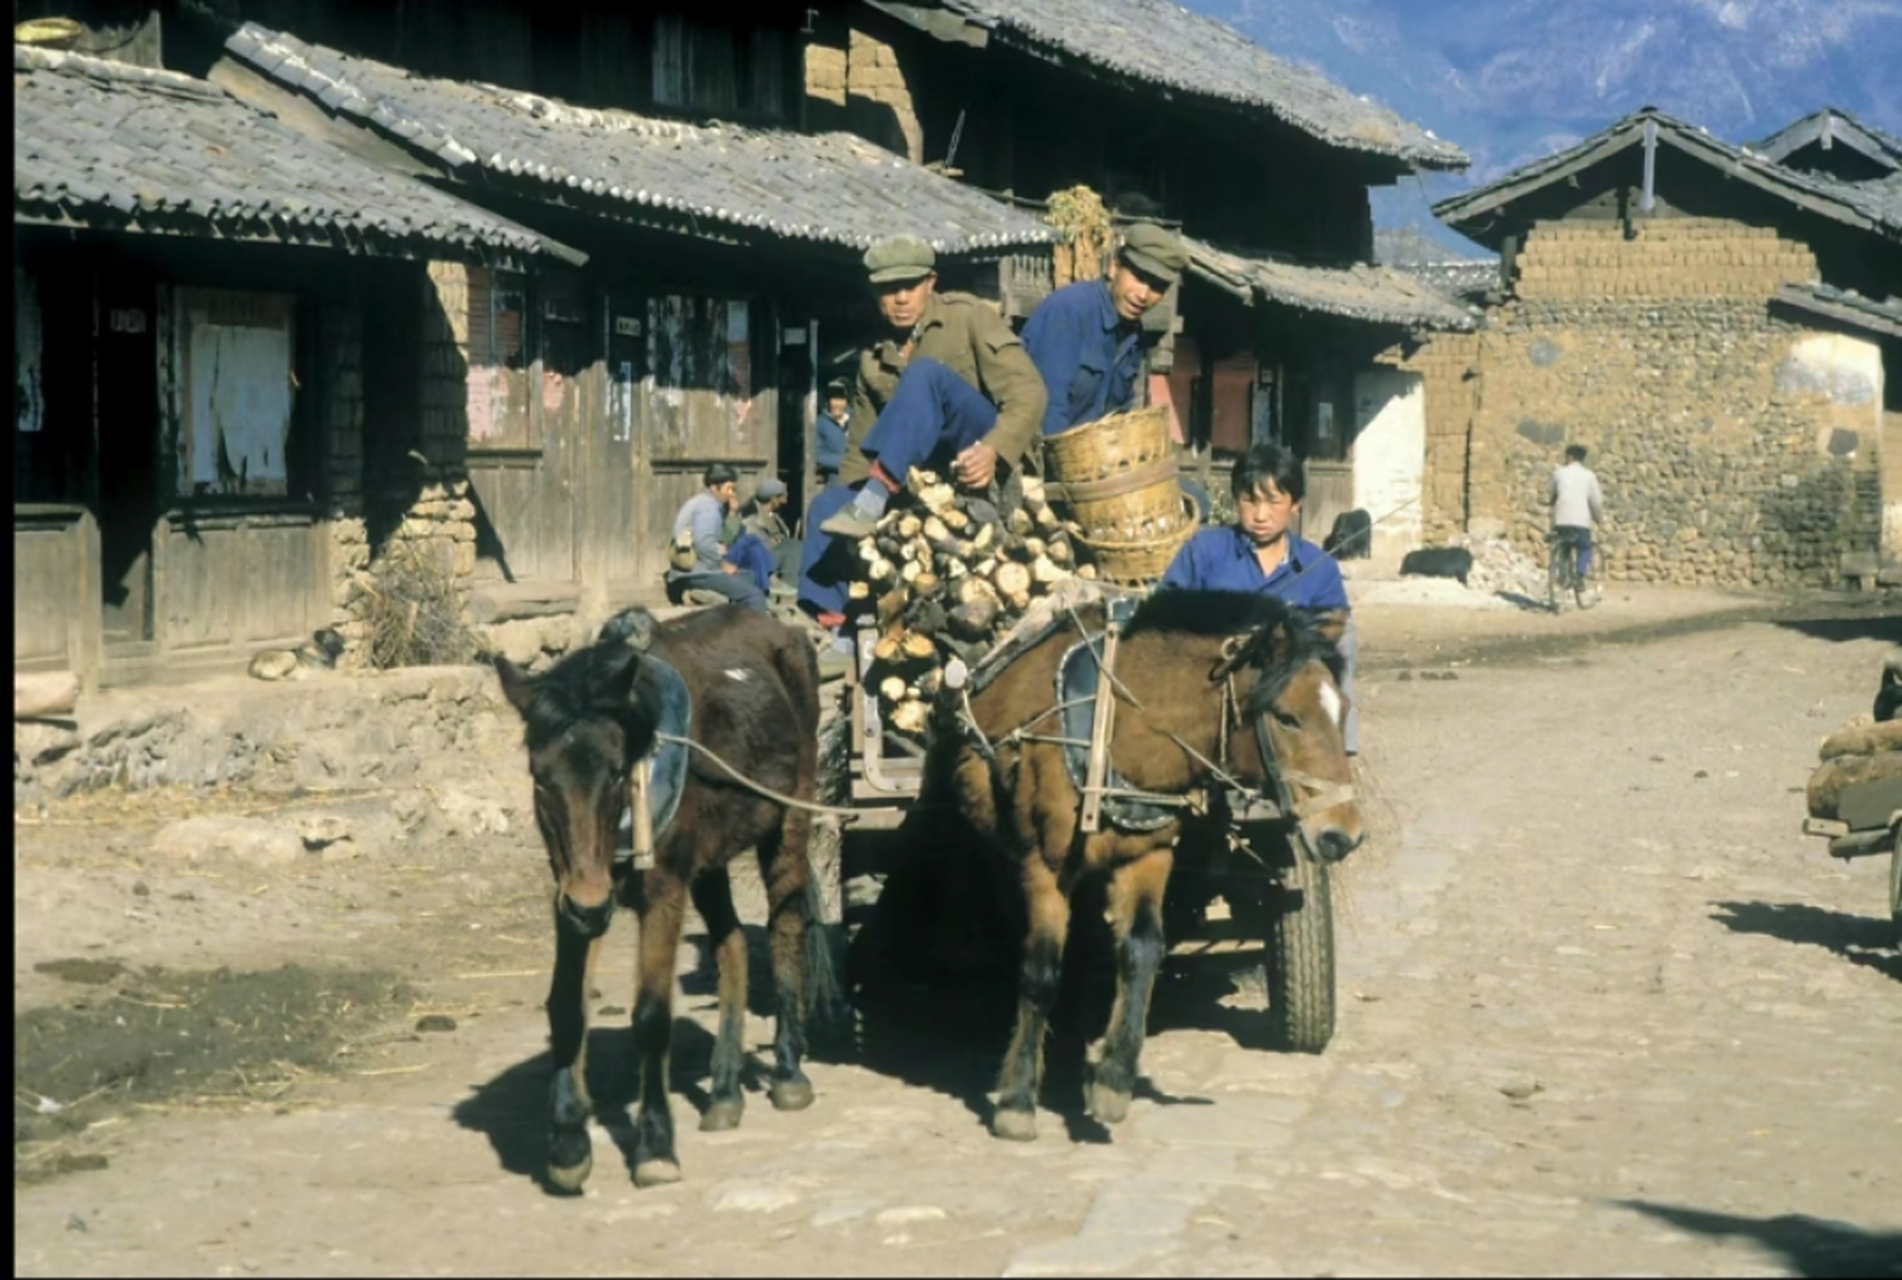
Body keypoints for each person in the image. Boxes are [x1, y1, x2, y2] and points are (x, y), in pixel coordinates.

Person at [799, 235, 1047, 621]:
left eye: (909, 286)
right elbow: (859, 450)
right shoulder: (872, 361)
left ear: (930, 282)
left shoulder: (969, 317)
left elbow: (1029, 392)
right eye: (888, 289)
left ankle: (876, 492)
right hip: (922, 481)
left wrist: (994, 449)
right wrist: (846, 501)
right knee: (825, 506)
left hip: (981, 451)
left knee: (927, 375)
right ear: (874, 293)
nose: (900, 299)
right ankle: (835, 624)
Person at [1159, 442, 1360, 755]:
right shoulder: (1204, 551)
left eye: (1274, 502)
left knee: (1346, 635)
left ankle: (1343, 748)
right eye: (1249, 501)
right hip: (1210, 691)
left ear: (1296, 506)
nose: (1260, 514)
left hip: (1284, 694)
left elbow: (1331, 637)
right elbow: (1165, 613)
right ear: (1235, 499)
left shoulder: (1319, 567)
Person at [1020, 222, 1186, 437]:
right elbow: (1046, 410)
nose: (1144, 295)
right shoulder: (1069, 311)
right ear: (1114, 267)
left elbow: (1120, 414)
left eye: (1157, 287)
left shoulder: (1134, 336)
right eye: (1139, 278)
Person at [664, 463, 767, 612]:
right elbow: (704, 543)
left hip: (693, 570)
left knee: (749, 577)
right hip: (699, 572)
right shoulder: (708, 508)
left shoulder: (701, 502)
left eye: (733, 489)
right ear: (714, 488)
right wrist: (721, 565)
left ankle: (706, 597)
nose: (732, 493)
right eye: (729, 489)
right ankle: (756, 632)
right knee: (754, 596)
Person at [1550, 444, 1604, 602]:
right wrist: (1599, 519)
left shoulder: (1558, 473)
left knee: (1563, 547)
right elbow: (1596, 502)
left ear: (1569, 457)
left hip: (1561, 521)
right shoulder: (1589, 476)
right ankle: (1580, 576)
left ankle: (1561, 577)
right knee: (1585, 547)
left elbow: (1552, 496)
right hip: (1581, 522)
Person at [814, 383, 850, 490]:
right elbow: (818, 455)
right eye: (834, 399)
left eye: (841, 399)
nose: (837, 404)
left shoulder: (856, 420)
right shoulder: (820, 424)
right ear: (827, 402)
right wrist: (846, 462)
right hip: (836, 479)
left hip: (859, 476)